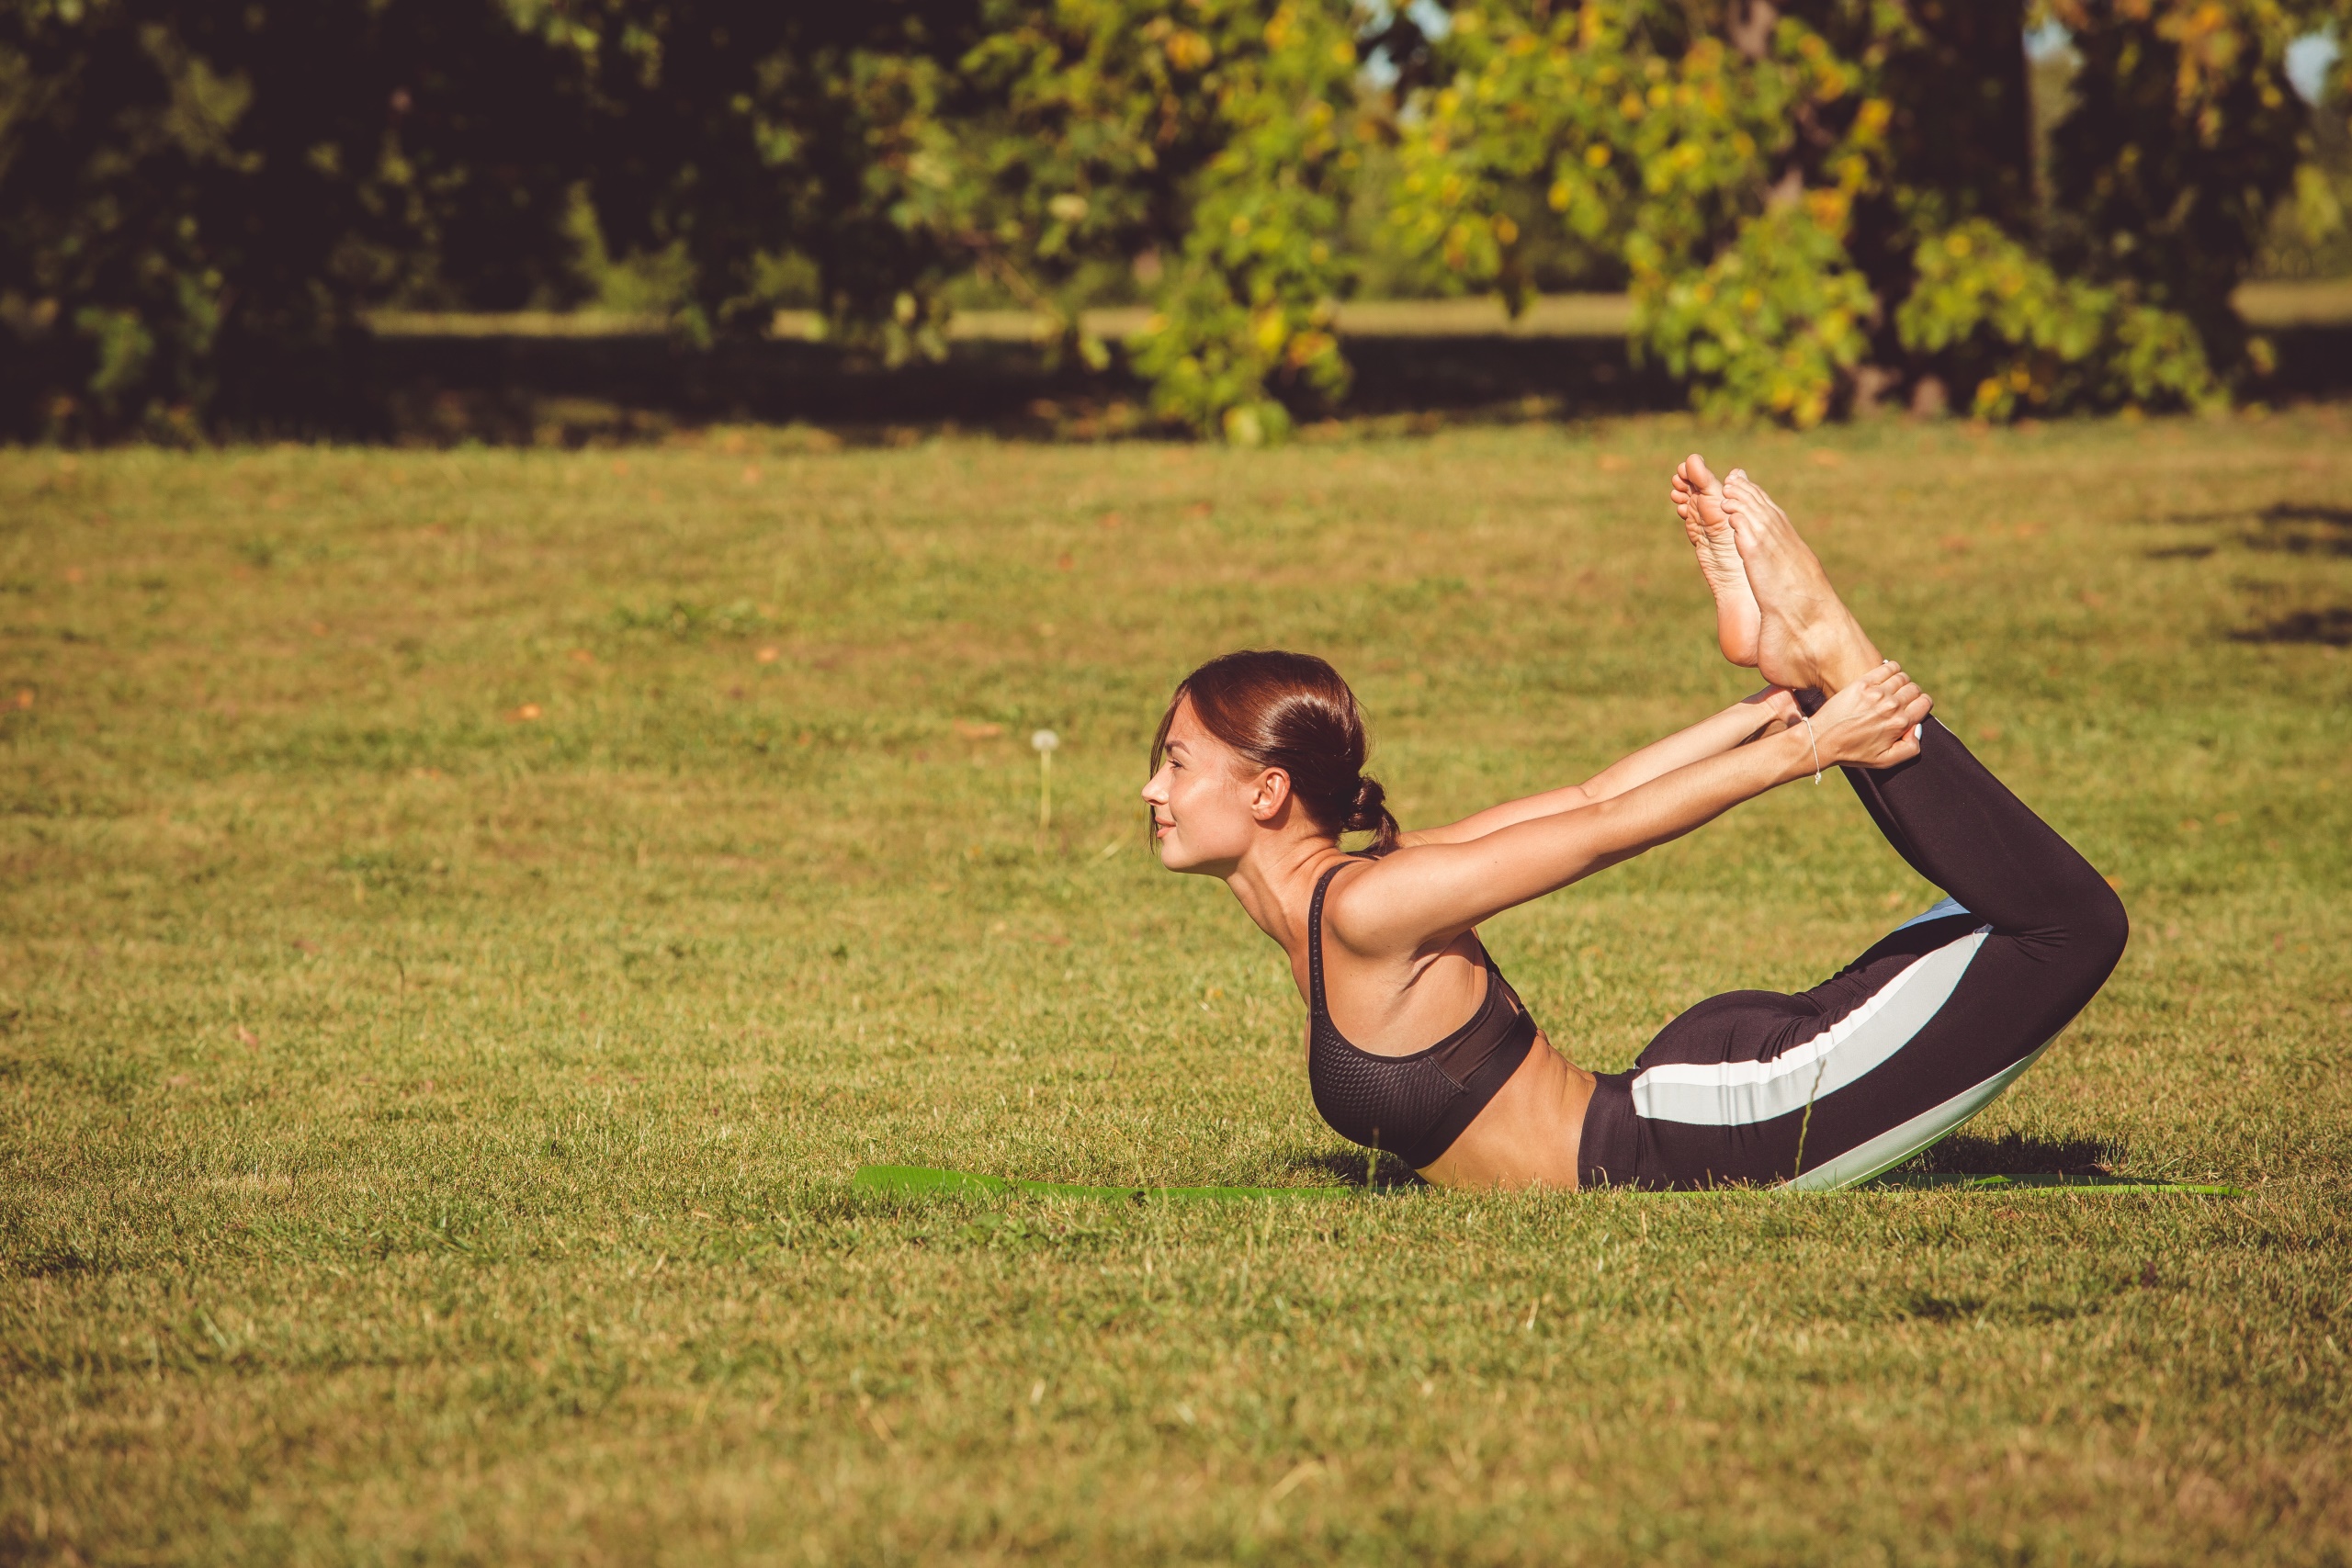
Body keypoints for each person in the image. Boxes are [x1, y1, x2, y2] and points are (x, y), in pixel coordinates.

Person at [1140, 456, 2127, 1190]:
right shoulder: (1360, 889)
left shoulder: (1368, 905)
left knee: (2068, 928)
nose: (1152, 789)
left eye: (1175, 762)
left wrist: (1808, 745)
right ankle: (1810, 669)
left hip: (1722, 1133)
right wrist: (1762, 713)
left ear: (1267, 793)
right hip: (1689, 1109)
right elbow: (1585, 797)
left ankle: (1833, 651)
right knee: (2028, 919)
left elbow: (1601, 829)